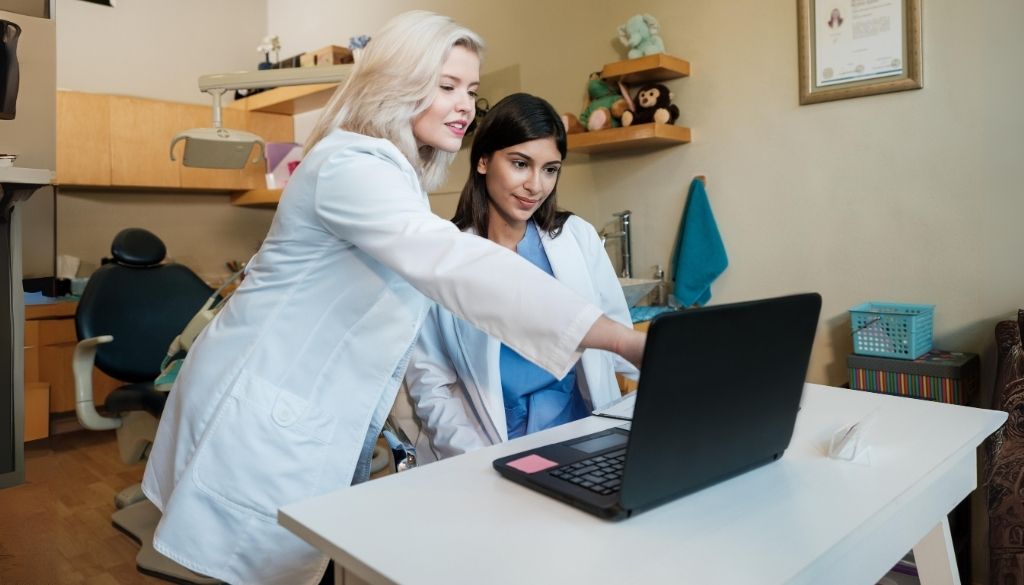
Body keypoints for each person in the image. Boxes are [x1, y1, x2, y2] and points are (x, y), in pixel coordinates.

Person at [141, 11, 644, 585]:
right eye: (447, 86)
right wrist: (621, 339)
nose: (464, 106)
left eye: (471, 91)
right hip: (262, 418)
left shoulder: (394, 176)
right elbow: (453, 264)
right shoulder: (350, 165)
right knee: (263, 569)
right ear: (396, 83)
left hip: (309, 416)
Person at [404, 93, 638, 462]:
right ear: (482, 161)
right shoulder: (445, 255)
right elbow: (431, 383)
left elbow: (619, 342)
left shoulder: (576, 237)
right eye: (520, 164)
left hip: (582, 433)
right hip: (494, 444)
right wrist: (474, 458)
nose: (536, 186)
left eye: (550, 169)